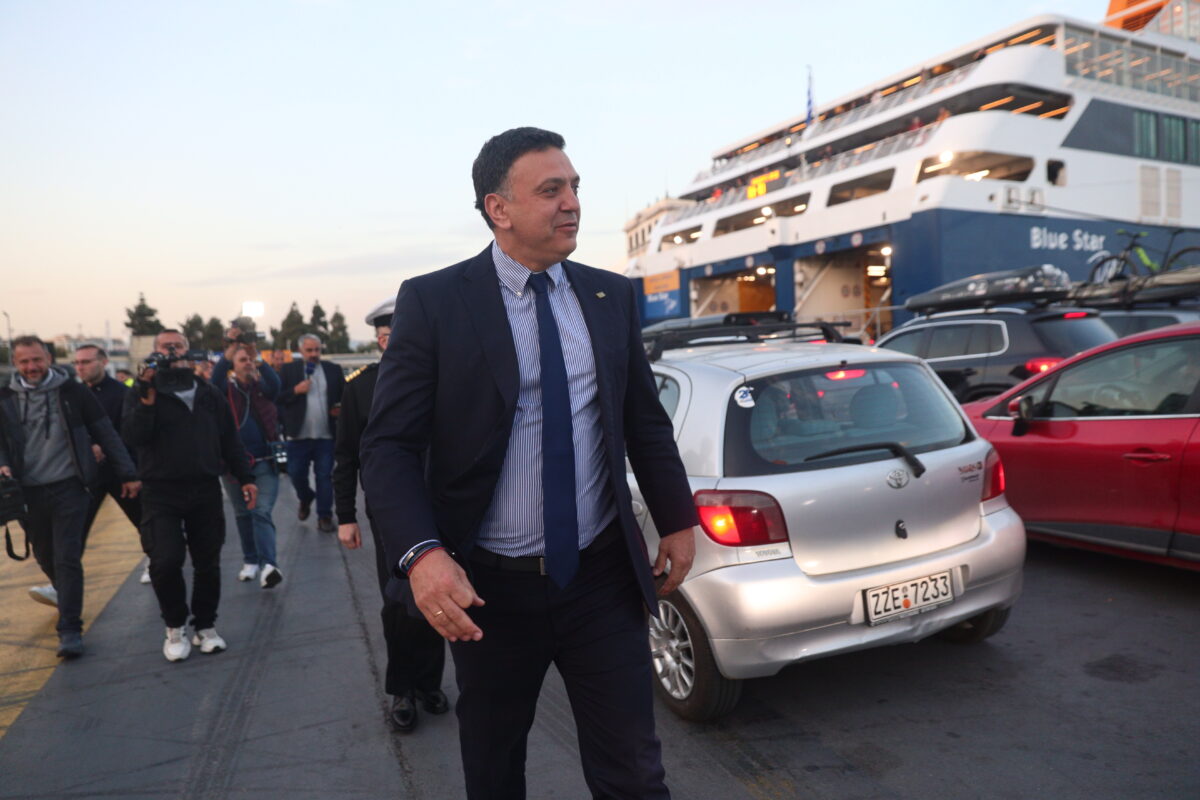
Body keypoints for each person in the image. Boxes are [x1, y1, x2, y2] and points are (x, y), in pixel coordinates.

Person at [361, 127, 698, 798]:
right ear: (499, 209)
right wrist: (422, 554)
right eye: (550, 190)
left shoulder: (609, 296)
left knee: (635, 771)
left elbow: (643, 421)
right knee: (494, 770)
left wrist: (678, 518)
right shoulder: (435, 302)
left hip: (601, 578)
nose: (571, 202)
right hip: (490, 588)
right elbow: (388, 445)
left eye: (574, 186)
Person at [334, 298, 446, 733]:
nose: (393, 342)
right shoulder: (361, 387)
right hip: (391, 510)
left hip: (440, 503)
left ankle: (429, 683)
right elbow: (346, 456)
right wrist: (346, 515)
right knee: (399, 601)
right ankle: (403, 689)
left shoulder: (442, 377)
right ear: (380, 342)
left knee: (439, 592)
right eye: (386, 337)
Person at [122, 329, 257, 662]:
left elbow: (230, 439)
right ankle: (175, 626)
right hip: (160, 491)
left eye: (178, 346)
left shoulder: (209, 393)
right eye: (165, 347)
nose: (172, 352)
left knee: (207, 562)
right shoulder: (142, 393)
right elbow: (133, 436)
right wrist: (147, 399)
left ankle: (205, 626)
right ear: (154, 352)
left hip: (204, 488)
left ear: (188, 350)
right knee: (165, 561)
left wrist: (246, 478)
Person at [0, 336, 139, 658]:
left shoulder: (73, 392)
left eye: (37, 359)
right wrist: (3, 464)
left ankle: (70, 629)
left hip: (70, 487)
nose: (32, 367)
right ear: (15, 363)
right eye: (24, 361)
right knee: (45, 555)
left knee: (67, 558)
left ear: (49, 359)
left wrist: (128, 473)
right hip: (27, 492)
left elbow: (106, 432)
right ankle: (66, 597)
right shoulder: (5, 398)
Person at [212, 332, 284, 588]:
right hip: (233, 465)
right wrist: (228, 354)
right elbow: (214, 382)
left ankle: (269, 565)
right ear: (233, 364)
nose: (248, 363)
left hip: (265, 460)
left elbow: (276, 385)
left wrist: (258, 358)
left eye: (250, 360)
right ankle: (251, 560)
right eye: (242, 360)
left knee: (261, 510)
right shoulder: (225, 391)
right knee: (242, 513)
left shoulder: (262, 389)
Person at [72, 345, 142, 538]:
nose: (80, 367)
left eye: (86, 362)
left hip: (120, 472)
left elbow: (131, 433)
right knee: (73, 535)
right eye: (77, 362)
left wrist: (130, 474)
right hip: (87, 476)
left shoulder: (123, 393)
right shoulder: (73, 395)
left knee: (148, 527)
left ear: (104, 362)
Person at [278, 333, 343, 533]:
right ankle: (306, 497)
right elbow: (277, 398)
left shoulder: (333, 370)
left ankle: (324, 516)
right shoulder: (288, 370)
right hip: (298, 436)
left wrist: (339, 408)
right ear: (300, 351)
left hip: (326, 436)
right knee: (296, 474)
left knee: (324, 476)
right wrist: (295, 391)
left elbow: (344, 395)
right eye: (309, 350)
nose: (314, 354)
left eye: (317, 350)